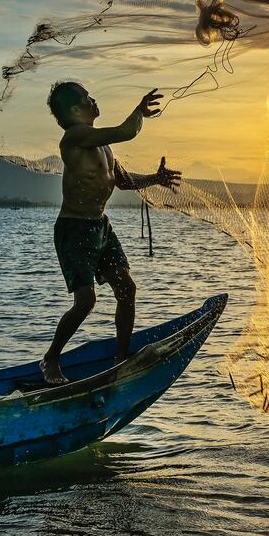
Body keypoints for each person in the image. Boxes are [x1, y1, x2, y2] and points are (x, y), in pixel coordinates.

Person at [39, 81, 182, 385]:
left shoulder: (102, 145)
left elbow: (125, 182)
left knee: (126, 289)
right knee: (86, 301)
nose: (93, 100)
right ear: (76, 110)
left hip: (100, 227)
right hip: (74, 229)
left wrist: (154, 179)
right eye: (87, 98)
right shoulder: (75, 137)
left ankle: (120, 360)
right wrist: (140, 112)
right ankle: (50, 359)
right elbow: (127, 131)